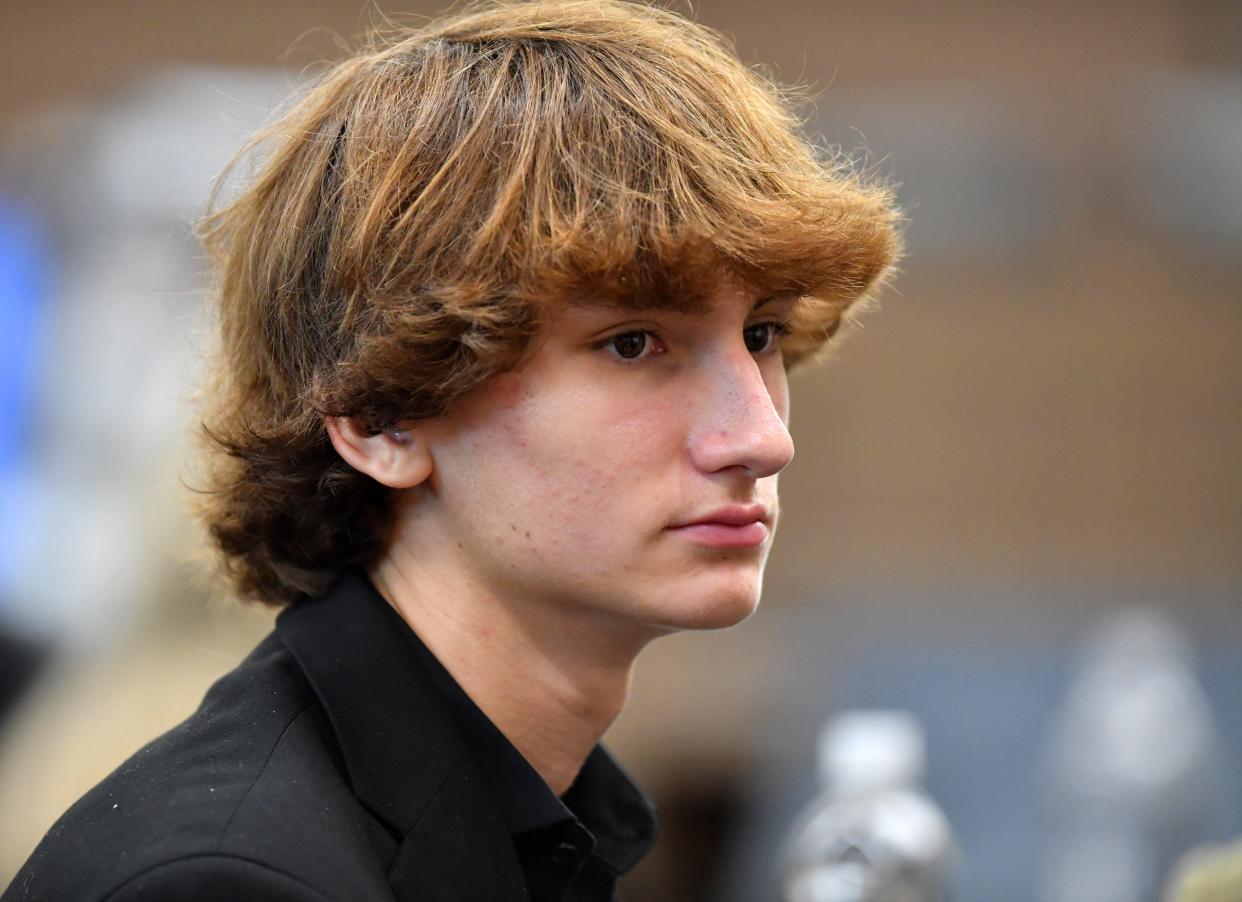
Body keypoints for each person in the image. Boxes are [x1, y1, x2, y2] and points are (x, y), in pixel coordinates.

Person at [1, 1, 899, 899]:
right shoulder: (232, 882)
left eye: (763, 334)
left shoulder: (517, 816)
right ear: (380, 417)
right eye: (633, 343)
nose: (763, 438)